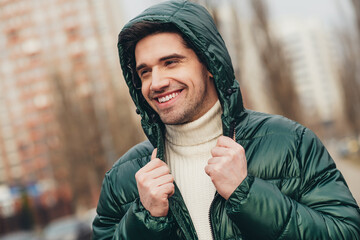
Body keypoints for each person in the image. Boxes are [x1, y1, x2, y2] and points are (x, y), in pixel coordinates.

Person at [92, 0, 360, 239]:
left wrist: (248, 195)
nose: (157, 82)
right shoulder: (122, 180)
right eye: (145, 71)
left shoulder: (291, 142)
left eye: (171, 62)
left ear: (209, 64)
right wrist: (144, 220)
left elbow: (346, 232)